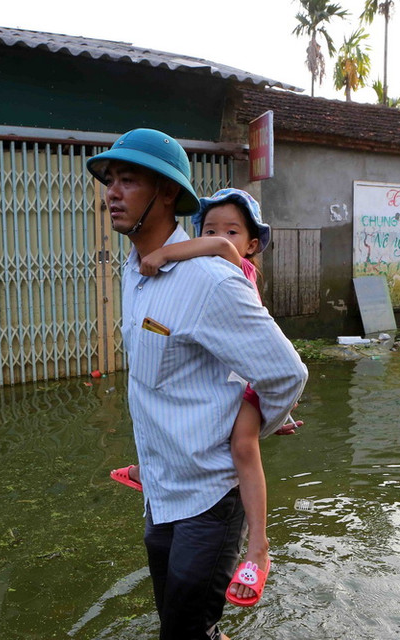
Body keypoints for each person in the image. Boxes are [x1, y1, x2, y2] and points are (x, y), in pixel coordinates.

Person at [86, 129, 307, 640]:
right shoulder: (134, 272)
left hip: (209, 499)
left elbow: (287, 373)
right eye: (110, 181)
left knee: (181, 632)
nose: (112, 193)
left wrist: (246, 436)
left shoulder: (209, 279)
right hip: (161, 492)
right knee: (181, 625)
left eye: (129, 180)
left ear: (166, 193)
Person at [109, 187, 292, 606]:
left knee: (243, 447)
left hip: (248, 383)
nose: (220, 236)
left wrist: (166, 254)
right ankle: (148, 469)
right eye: (211, 227)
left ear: (250, 243)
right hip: (222, 397)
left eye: (232, 230)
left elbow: (285, 373)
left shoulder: (223, 267)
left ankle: (259, 547)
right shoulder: (138, 272)